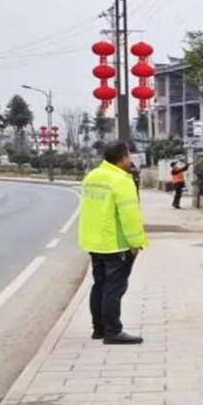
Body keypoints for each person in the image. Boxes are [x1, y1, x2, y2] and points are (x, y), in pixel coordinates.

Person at [78, 141, 148, 344]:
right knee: (114, 288)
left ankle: (98, 328)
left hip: (93, 241)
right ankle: (113, 331)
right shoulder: (121, 180)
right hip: (115, 243)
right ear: (122, 158)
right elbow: (129, 216)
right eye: (129, 156)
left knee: (99, 284)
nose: (130, 160)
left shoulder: (92, 176)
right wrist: (136, 243)